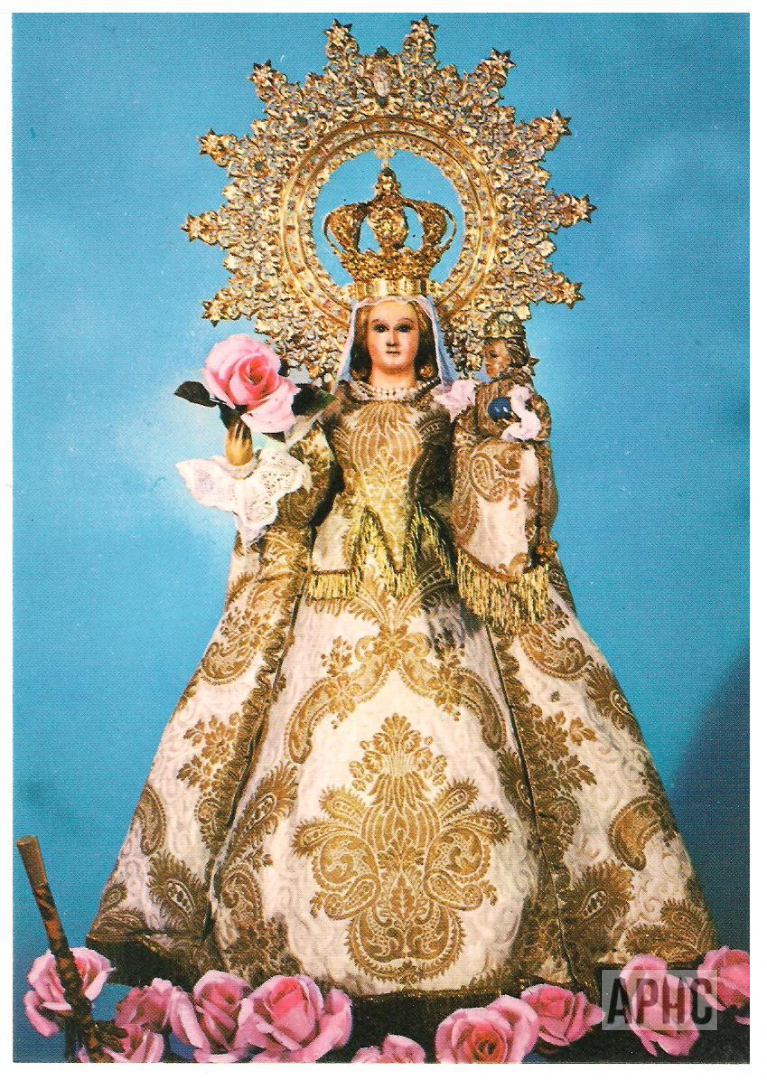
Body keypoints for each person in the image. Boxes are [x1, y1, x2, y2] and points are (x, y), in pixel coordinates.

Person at [88, 285, 717, 1020]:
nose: (391, 339)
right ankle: (303, 968)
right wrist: (254, 477)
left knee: (473, 746)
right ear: (359, 337)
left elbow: (482, 496)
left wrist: (510, 439)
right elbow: (300, 500)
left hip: (435, 589)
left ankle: (497, 960)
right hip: (337, 595)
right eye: (379, 327)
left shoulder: (452, 408)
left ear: (426, 337)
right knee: (319, 751)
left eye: (406, 328)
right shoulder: (325, 411)